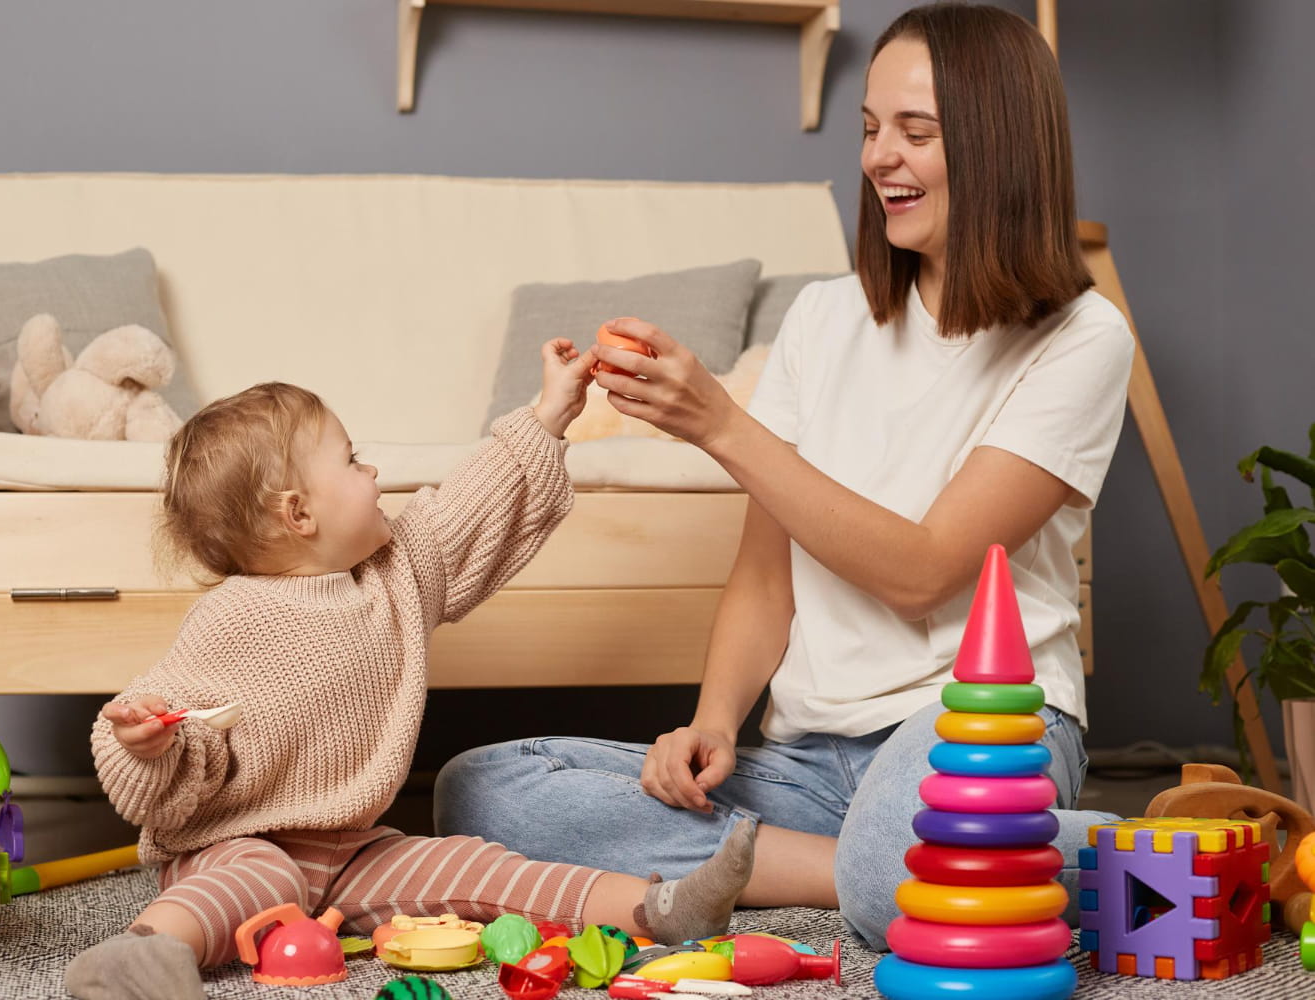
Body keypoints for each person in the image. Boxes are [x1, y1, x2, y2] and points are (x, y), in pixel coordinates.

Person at [433, 2, 1135, 953]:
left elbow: (924, 569)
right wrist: (712, 719)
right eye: (871, 128)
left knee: (901, 900)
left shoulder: (1082, 339)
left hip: (983, 727)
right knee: (477, 790)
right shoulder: (824, 317)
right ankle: (921, 859)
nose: (881, 157)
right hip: (810, 759)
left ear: (1002, 146)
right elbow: (769, 570)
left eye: (916, 133)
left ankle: (895, 859)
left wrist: (721, 424)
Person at [62, 343, 757, 1000]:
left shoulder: (395, 573)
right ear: (299, 512)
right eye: (351, 460)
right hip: (236, 845)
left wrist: (549, 414)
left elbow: (467, 506)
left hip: (355, 850)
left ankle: (657, 908)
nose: (371, 473)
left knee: (479, 867)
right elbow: (170, 743)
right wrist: (148, 743)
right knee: (255, 877)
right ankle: (144, 952)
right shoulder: (234, 618)